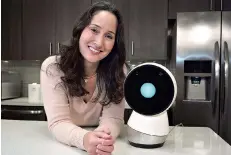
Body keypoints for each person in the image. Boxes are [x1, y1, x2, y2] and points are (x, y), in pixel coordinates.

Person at [40, 1, 127, 155]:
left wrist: (102, 140)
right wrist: (85, 139)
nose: (99, 42)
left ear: (115, 43)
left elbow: (113, 119)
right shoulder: (53, 67)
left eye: (108, 36)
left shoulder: (118, 71)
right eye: (94, 30)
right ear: (81, 29)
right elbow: (58, 123)